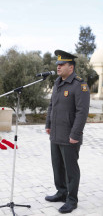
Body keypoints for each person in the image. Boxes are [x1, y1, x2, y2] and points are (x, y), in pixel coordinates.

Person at [45, 50, 90, 214]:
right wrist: (48, 124)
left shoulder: (80, 85)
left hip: (70, 136)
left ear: (71, 67)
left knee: (71, 169)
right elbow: (52, 105)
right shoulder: (57, 82)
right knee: (57, 166)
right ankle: (61, 192)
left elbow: (82, 112)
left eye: (61, 64)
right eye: (57, 64)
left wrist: (75, 135)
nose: (58, 66)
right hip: (56, 134)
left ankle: (72, 200)